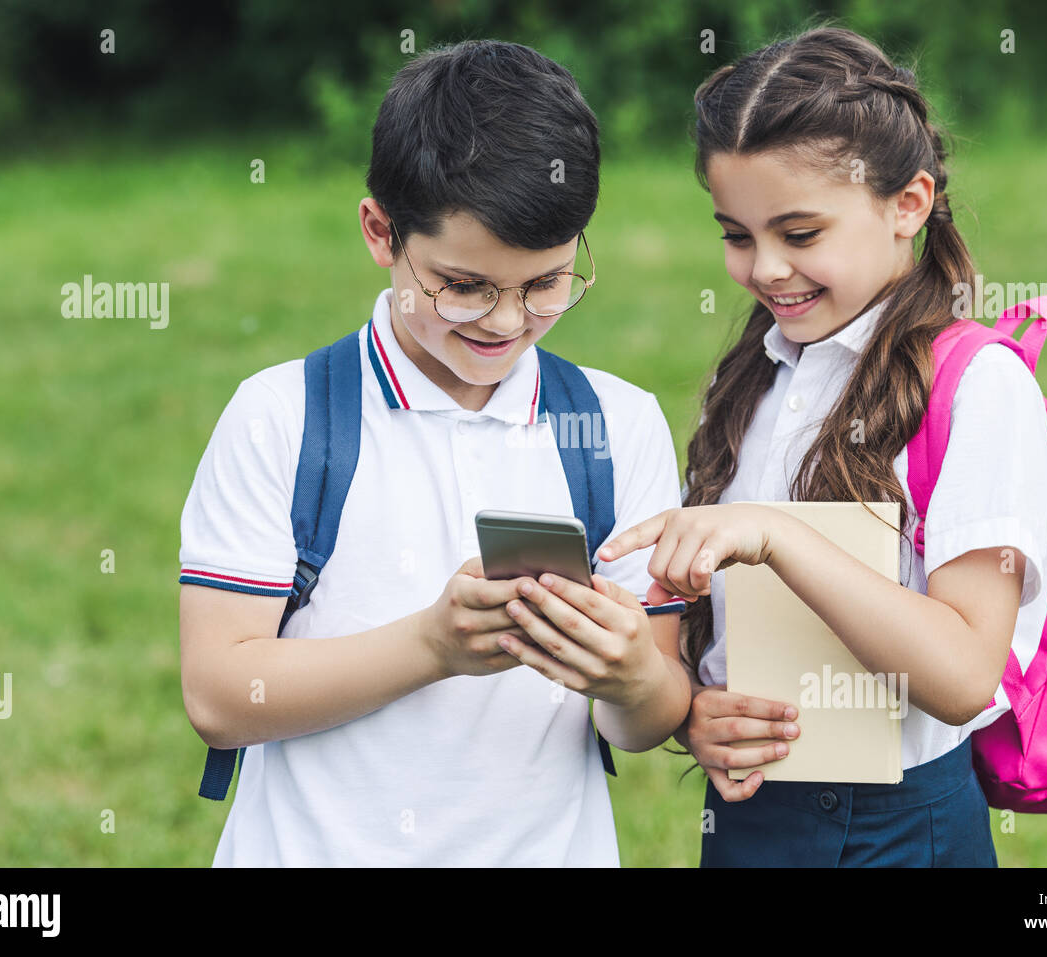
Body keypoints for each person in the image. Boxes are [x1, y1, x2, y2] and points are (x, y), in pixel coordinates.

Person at [177, 40, 689, 866]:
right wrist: (431, 646)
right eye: (463, 285)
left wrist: (628, 675)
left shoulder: (614, 424)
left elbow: (646, 719)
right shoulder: (285, 417)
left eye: (547, 284)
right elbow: (219, 693)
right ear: (382, 232)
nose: (506, 322)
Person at [598, 26, 1047, 867]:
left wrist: (779, 536)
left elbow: (963, 674)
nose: (767, 269)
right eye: (737, 236)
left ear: (908, 204)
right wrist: (699, 712)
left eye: (800, 233)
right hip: (750, 816)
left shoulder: (978, 388)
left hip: (899, 826)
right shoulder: (758, 373)